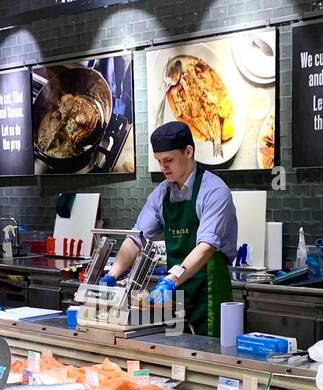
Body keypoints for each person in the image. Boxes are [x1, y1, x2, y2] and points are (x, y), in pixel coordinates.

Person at [102, 121, 238, 336]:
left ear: (189, 152)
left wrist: (170, 281)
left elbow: (206, 247)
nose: (163, 167)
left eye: (169, 160)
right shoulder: (161, 194)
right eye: (159, 161)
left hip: (208, 288)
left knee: (206, 353)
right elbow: (137, 238)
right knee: (178, 349)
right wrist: (113, 274)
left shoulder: (214, 191)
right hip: (177, 290)